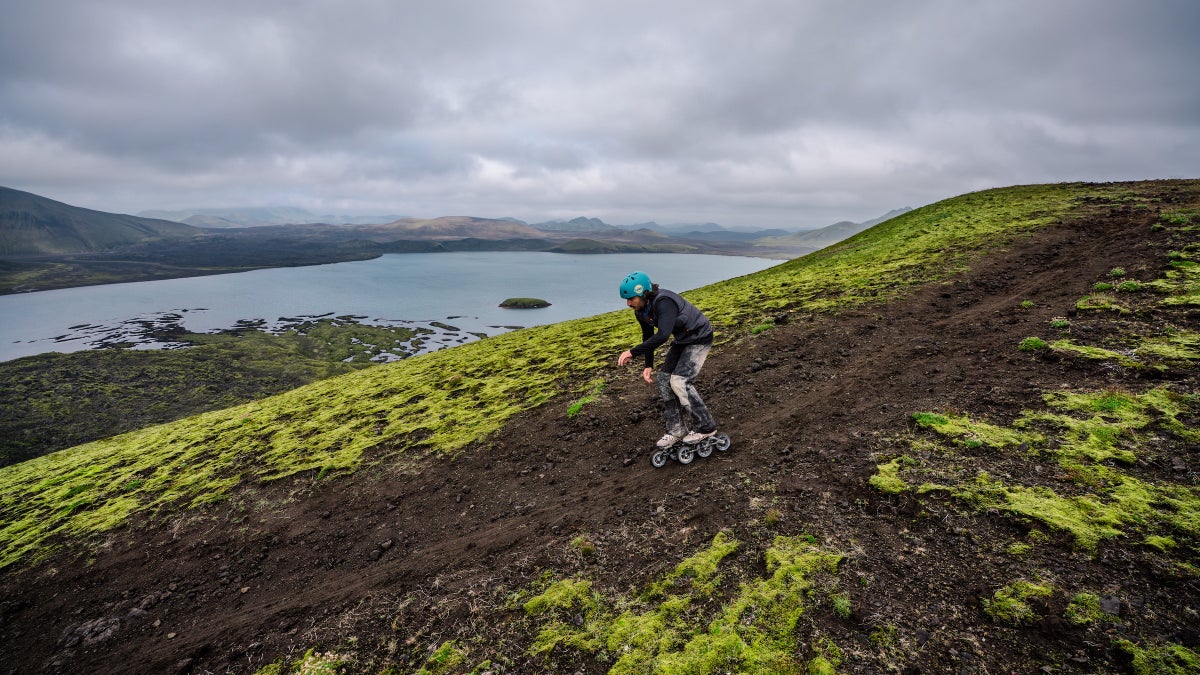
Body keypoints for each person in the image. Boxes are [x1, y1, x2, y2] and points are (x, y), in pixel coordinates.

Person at [616, 271, 719, 448]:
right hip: (683, 339)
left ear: (642, 293)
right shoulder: (641, 310)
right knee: (664, 380)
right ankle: (677, 430)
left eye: (630, 299)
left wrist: (632, 352)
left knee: (680, 381)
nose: (627, 304)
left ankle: (706, 427)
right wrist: (648, 364)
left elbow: (663, 335)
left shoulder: (664, 302)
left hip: (699, 337)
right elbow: (648, 335)